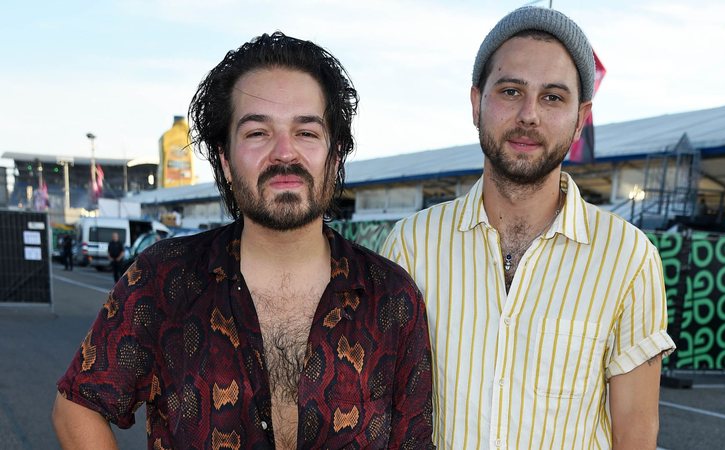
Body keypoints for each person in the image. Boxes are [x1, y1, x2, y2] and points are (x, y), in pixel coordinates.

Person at [53, 32, 433, 449]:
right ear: (225, 161)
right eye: (257, 133)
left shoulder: (393, 298)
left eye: (306, 132)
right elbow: (78, 405)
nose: (284, 153)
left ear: (335, 155)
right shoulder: (163, 278)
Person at [381, 6, 675, 450]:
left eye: (553, 97)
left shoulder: (629, 256)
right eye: (511, 90)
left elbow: (635, 435)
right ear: (476, 102)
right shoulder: (411, 245)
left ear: (581, 118)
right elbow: (380, 409)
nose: (529, 115)